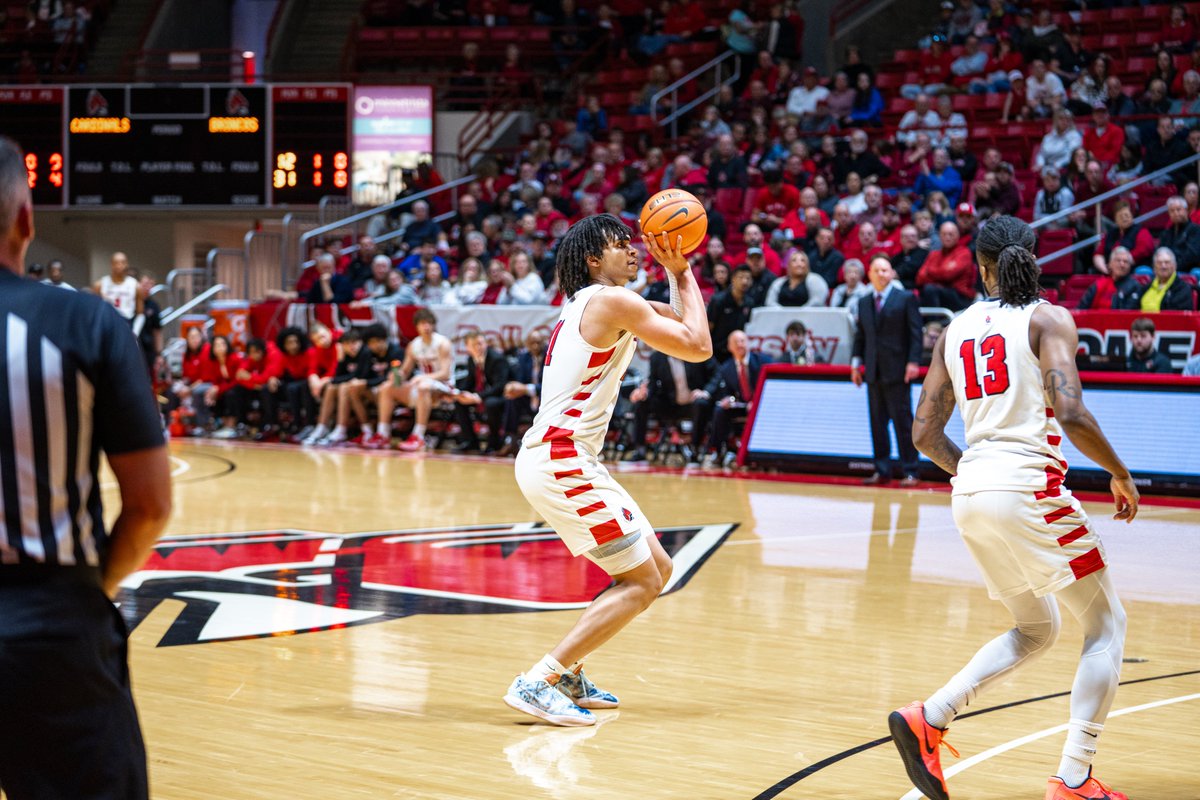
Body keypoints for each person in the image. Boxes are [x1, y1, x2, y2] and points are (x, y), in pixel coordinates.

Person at [895, 215, 1138, 800]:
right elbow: (1072, 412)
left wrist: (977, 476)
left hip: (969, 493)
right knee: (1106, 625)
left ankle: (931, 715)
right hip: (1029, 489)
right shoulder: (1048, 317)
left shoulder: (953, 329)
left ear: (980, 266)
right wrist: (1120, 473)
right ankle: (1075, 778)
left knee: (1035, 626)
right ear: (1032, 258)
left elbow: (924, 434)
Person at [0, 135, 172, 800]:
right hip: (54, 625)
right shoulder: (86, 322)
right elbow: (151, 504)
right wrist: (88, 589)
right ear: (26, 219)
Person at [504, 214, 711, 726]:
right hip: (561, 458)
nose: (634, 249)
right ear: (593, 260)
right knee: (641, 581)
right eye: (620, 245)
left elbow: (682, 321)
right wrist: (681, 269)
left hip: (569, 458)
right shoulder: (612, 300)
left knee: (658, 570)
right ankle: (539, 680)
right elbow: (699, 344)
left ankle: (568, 671)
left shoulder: (598, 302)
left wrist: (676, 273)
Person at [852, 255, 922, 487]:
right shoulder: (863, 302)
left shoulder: (905, 298)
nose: (881, 274)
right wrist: (856, 365)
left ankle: (910, 470)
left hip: (898, 371)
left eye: (885, 270)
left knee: (903, 423)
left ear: (891, 273)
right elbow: (860, 337)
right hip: (873, 371)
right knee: (877, 424)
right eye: (877, 270)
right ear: (870, 274)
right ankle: (882, 470)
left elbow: (915, 334)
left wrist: (913, 362)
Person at [376, 308, 454, 452]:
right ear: (416, 326)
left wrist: (423, 377)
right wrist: (396, 375)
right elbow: (405, 371)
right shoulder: (413, 345)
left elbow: (445, 373)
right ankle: (383, 434)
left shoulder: (443, 343)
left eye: (429, 323)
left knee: (423, 386)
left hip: (444, 386)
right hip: (422, 385)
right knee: (386, 387)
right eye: (423, 324)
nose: (426, 327)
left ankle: (418, 436)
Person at [452, 330, 511, 453]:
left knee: (491, 403)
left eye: (480, 343)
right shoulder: (471, 359)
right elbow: (469, 382)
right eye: (474, 345)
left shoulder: (496, 359)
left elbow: (500, 386)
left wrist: (477, 396)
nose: (478, 347)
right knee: (459, 402)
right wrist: (459, 393)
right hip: (485, 394)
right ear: (467, 347)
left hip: (505, 395)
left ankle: (494, 443)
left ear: (486, 344)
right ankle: (470, 441)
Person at [1076, 247, 1142, 310]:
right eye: (1118, 260)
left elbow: (1127, 313)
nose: (1122, 264)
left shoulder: (1135, 286)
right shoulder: (1098, 285)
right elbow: (1081, 308)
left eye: (1126, 262)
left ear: (1130, 266)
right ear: (1110, 264)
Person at [1140, 247, 1196, 311]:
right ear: (1154, 268)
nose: (1163, 266)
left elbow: (1180, 316)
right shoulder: (1145, 287)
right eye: (1159, 263)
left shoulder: (1182, 288)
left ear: (1174, 266)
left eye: (1167, 262)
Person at [94, 251, 141, 322]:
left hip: (126, 321)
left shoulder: (135, 285)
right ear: (111, 264)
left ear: (127, 264)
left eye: (123, 262)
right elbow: (94, 308)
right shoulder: (100, 284)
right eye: (116, 263)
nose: (119, 266)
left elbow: (140, 312)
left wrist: (135, 331)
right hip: (107, 320)